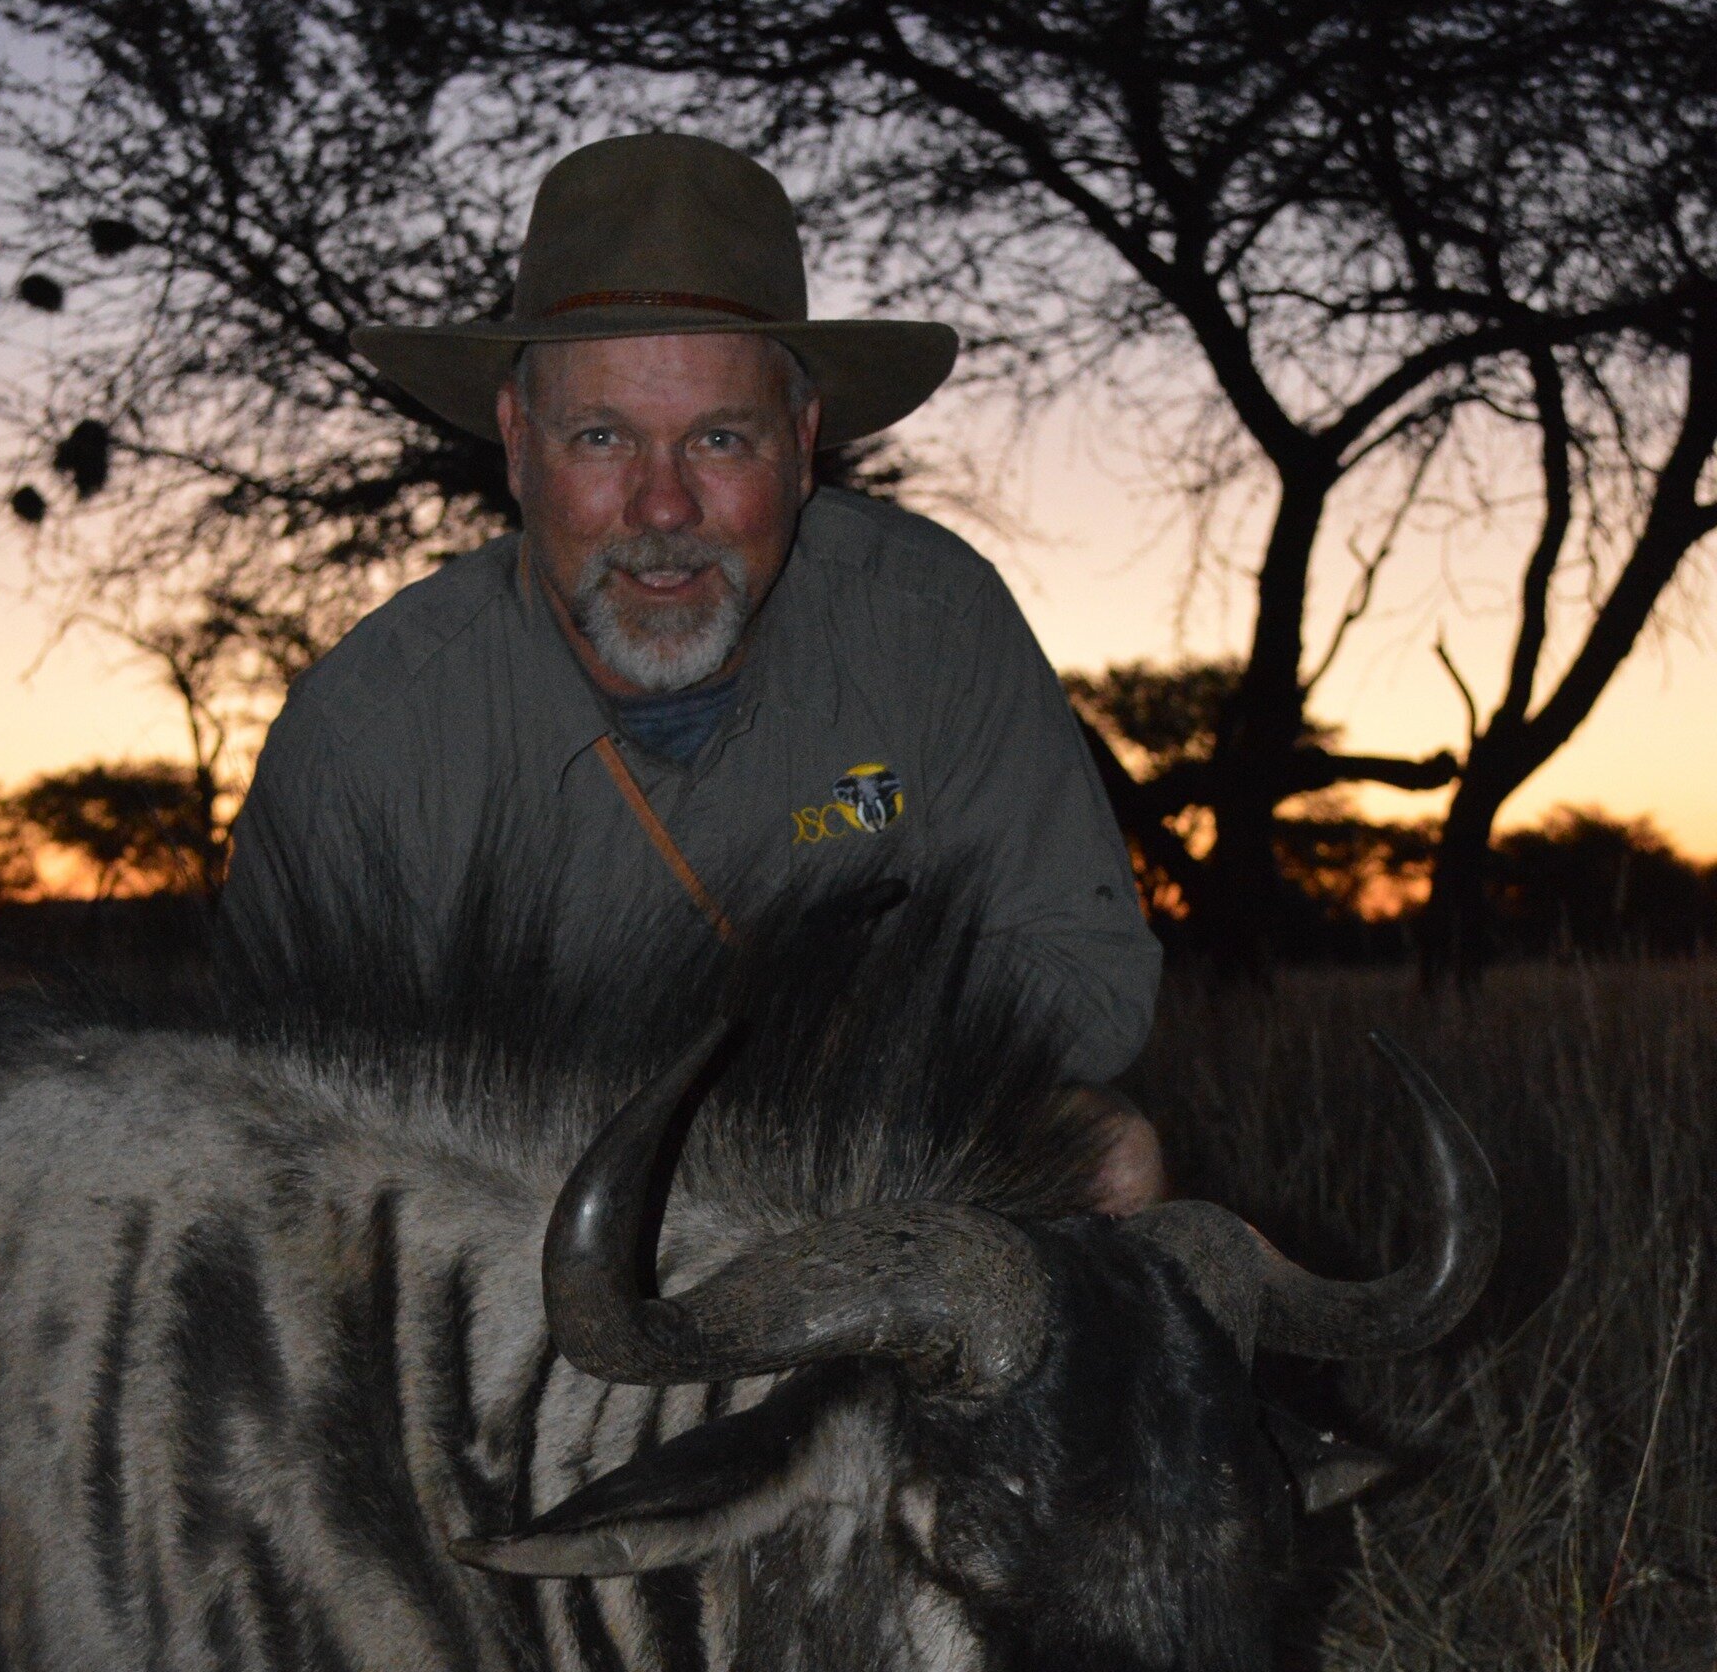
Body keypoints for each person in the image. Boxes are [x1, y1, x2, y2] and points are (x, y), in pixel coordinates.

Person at [223, 131, 1165, 1207]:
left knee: (1108, 1157)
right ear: (516, 441)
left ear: (802, 443)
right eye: (600, 439)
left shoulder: (938, 623)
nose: (663, 507)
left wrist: (806, 1075)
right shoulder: (364, 732)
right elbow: (287, 1133)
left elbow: (1091, 981)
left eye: (720, 440)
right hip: (508, 1220)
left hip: (853, 1160)